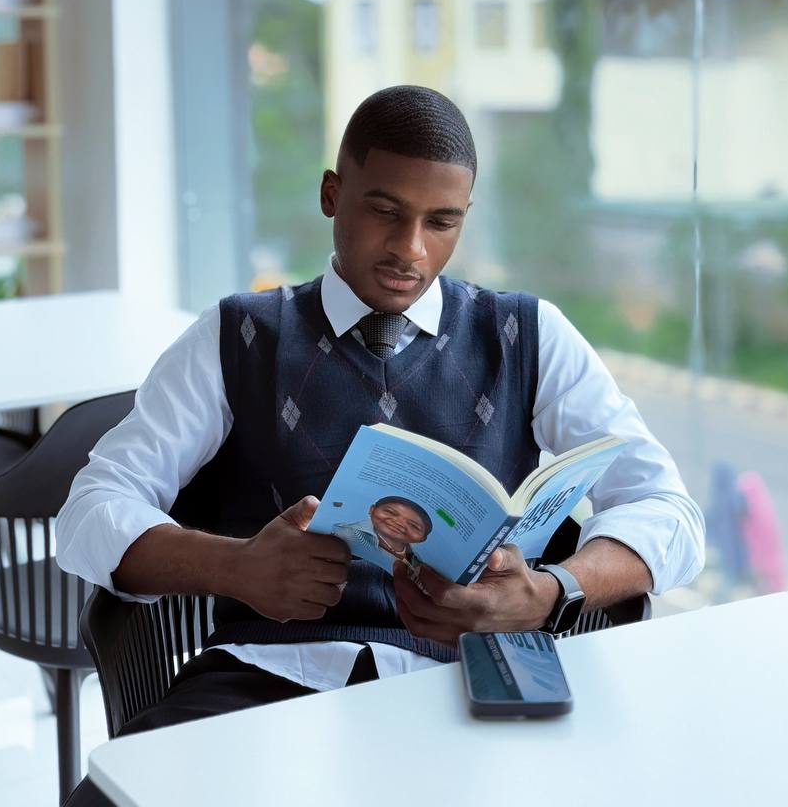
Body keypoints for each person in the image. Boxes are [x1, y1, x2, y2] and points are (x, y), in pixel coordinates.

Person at [58, 85, 704, 806]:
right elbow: (89, 511)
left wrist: (551, 592)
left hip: (472, 689)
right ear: (334, 193)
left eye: (441, 222)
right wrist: (237, 567)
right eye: (386, 211)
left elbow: (670, 511)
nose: (410, 249)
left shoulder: (529, 335)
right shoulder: (237, 335)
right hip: (264, 684)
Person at [334, 496, 433, 573]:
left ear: (422, 538)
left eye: (414, 526)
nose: (399, 523)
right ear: (372, 509)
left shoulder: (417, 560)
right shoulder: (342, 534)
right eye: (390, 512)